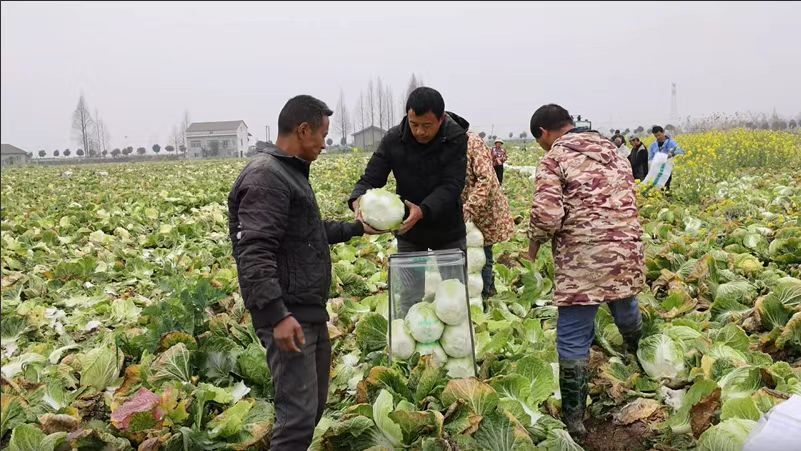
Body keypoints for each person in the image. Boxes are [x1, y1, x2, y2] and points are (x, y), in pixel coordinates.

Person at [228, 95, 380, 451]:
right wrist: (277, 315)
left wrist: (357, 229)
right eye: (323, 135)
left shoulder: (287, 173)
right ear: (303, 129)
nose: (325, 144)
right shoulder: (267, 176)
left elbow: (308, 233)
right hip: (288, 313)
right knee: (297, 418)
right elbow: (255, 250)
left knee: (310, 410)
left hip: (304, 311)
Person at [528, 104, 644, 440]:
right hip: (625, 250)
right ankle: (639, 356)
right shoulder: (614, 151)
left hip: (584, 258)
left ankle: (575, 421)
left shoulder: (553, 158)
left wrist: (533, 244)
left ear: (543, 133)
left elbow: (548, 217)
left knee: (574, 334)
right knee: (624, 305)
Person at [350, 87, 468, 313]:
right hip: (409, 231)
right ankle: (411, 344)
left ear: (441, 119)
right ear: (407, 117)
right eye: (414, 124)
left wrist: (423, 210)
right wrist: (357, 200)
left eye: (427, 126)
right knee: (409, 297)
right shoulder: (394, 139)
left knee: (454, 298)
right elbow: (371, 178)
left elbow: (452, 184)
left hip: (448, 229)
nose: (420, 132)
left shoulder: (455, 137)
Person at [448, 112, 514, 300]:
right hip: (462, 209)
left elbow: (485, 178)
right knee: (462, 252)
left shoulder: (472, 142)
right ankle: (466, 293)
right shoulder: (446, 145)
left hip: (484, 208)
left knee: (482, 250)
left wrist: (470, 207)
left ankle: (484, 293)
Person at [648, 125, 685, 190]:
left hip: (668, 170)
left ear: (663, 132)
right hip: (658, 171)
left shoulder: (671, 143)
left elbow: (680, 151)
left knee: (667, 187)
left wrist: (672, 153)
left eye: (659, 135)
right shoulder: (653, 145)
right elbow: (650, 158)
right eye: (656, 136)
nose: (658, 137)